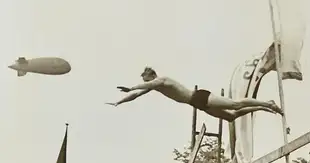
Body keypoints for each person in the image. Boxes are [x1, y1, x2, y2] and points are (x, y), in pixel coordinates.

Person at [107, 67, 283, 122]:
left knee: (235, 104)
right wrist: (119, 102)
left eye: (145, 78)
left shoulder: (162, 80)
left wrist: (131, 87)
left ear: (150, 75)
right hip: (197, 104)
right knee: (232, 117)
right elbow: (137, 95)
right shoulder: (154, 86)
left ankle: (267, 103)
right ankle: (261, 107)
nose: (145, 82)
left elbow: (142, 87)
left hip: (199, 96)